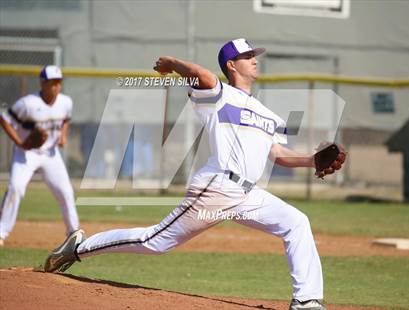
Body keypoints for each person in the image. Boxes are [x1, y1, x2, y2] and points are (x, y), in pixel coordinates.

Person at [44, 39, 326, 310]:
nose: (254, 60)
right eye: (247, 56)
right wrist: (174, 64)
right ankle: (79, 247)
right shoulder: (218, 96)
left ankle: (306, 301)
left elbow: (278, 154)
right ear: (231, 65)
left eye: (254, 56)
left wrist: (312, 161)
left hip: (248, 194)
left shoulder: (268, 115)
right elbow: (201, 74)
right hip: (217, 188)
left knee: (296, 222)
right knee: (153, 242)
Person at [0, 65, 80, 246]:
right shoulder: (28, 103)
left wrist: (63, 135)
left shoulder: (65, 102)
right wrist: (19, 142)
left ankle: (73, 234)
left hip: (51, 154)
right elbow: (4, 119)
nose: (56, 87)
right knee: (16, 188)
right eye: (53, 83)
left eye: (59, 83)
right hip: (26, 153)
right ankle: (1, 232)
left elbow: (66, 119)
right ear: (42, 83)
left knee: (66, 192)